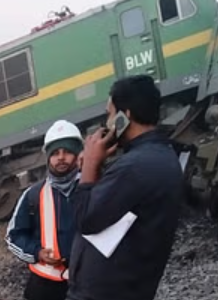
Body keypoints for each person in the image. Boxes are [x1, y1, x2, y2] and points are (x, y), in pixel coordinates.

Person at [65, 74, 183, 300]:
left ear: (125, 115)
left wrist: (89, 165)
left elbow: (86, 219)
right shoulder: (157, 156)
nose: (107, 122)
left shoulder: (134, 166)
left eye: (110, 114)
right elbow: (110, 206)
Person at [5, 119, 84, 300]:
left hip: (89, 281)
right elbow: (13, 236)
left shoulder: (96, 187)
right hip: (45, 286)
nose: (61, 157)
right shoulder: (33, 195)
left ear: (79, 154)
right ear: (48, 157)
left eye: (67, 151)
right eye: (55, 152)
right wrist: (37, 252)